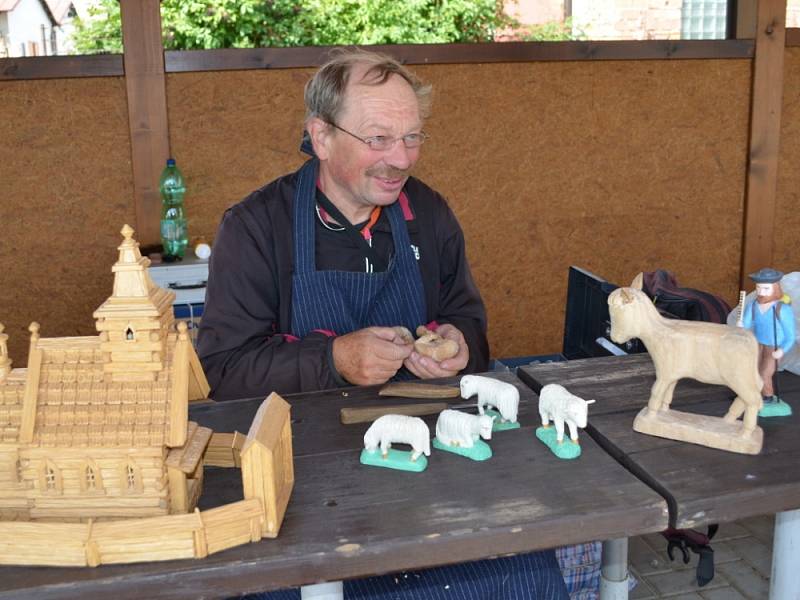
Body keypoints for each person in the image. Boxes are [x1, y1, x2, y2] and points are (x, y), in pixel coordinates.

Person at [199, 49, 569, 599]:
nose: (400, 159)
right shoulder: (256, 227)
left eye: (412, 138)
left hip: (428, 461)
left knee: (522, 572)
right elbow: (222, 372)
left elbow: (470, 319)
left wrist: (459, 346)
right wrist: (333, 361)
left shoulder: (429, 214)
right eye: (378, 139)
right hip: (303, 479)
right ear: (321, 137)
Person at [740, 268, 796, 413]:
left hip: (774, 346)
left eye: (766, 288)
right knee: (752, 370)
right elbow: (746, 324)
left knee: (765, 373)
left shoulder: (782, 309)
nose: (761, 292)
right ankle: (752, 394)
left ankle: (768, 397)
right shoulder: (753, 305)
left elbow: (790, 335)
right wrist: (741, 325)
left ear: (775, 288)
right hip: (757, 344)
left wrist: (782, 350)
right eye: (758, 288)